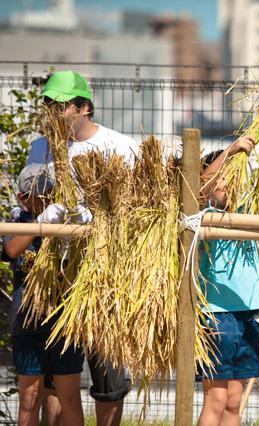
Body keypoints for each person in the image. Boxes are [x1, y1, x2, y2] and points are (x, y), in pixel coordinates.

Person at [26, 70, 135, 426]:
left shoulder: (119, 146)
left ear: (84, 106)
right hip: (55, 270)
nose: (53, 113)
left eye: (61, 105)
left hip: (105, 270)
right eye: (48, 105)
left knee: (108, 373)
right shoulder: (41, 147)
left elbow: (138, 207)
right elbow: (28, 200)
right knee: (58, 372)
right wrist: (46, 207)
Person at [197, 131, 259, 426]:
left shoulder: (248, 211)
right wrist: (233, 150)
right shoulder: (202, 212)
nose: (227, 184)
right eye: (222, 176)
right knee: (216, 398)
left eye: (233, 177)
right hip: (216, 313)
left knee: (234, 402)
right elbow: (199, 188)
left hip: (247, 312)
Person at [2, 164, 85, 426]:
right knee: (30, 397)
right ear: (22, 197)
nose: (47, 200)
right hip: (27, 320)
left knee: (69, 396)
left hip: (65, 320)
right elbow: (12, 251)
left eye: (51, 194)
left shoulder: (67, 217)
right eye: (41, 196)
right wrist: (40, 224)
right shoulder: (17, 219)